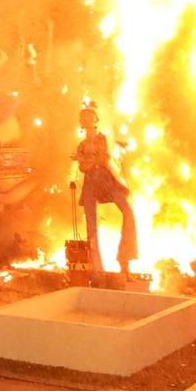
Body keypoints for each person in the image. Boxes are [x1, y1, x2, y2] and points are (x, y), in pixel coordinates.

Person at [73, 105, 136, 274]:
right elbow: (82, 167)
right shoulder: (81, 144)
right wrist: (86, 161)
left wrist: (87, 160)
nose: (85, 119)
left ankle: (125, 261)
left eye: (89, 116)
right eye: (83, 117)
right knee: (91, 227)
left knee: (128, 211)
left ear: (96, 120)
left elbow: (103, 157)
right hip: (90, 184)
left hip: (106, 180)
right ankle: (96, 269)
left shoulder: (101, 139)